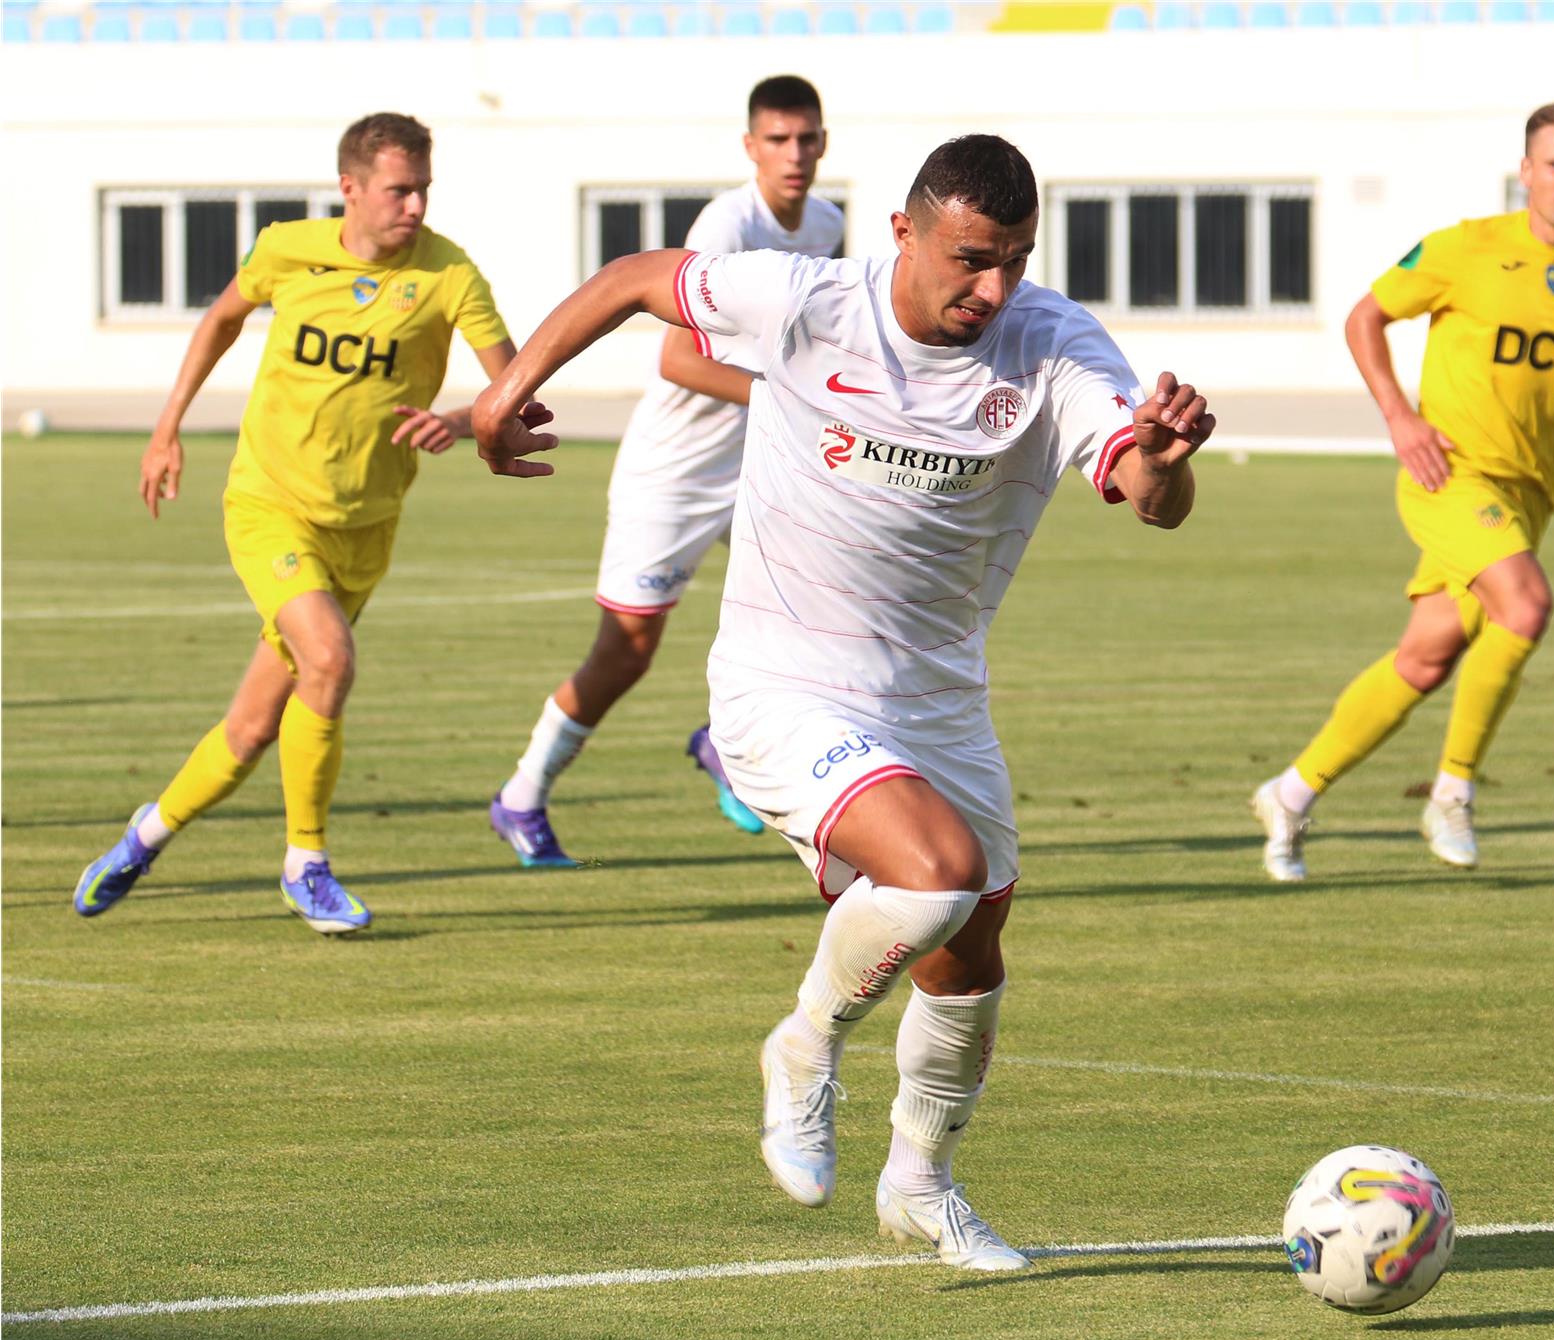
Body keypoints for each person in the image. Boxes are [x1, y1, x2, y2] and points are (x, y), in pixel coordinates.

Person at [472, 135, 1213, 1270]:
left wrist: (1163, 455)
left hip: (939, 697)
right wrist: (503, 395)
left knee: (970, 954)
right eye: (972, 258)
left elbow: (1148, 498)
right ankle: (803, 1047)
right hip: (781, 680)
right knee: (936, 874)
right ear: (904, 234)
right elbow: (632, 280)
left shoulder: (1052, 342)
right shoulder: (809, 301)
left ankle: (920, 1181)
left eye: (1014, 259)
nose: (994, 288)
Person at [74, 112, 541, 933]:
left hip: (365, 526)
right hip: (269, 504)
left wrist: (464, 421)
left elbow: (517, 397)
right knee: (329, 660)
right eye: (399, 190)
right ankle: (307, 865)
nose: (416, 206)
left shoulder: (450, 274)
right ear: (350, 189)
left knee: (253, 728)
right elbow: (221, 318)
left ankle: (145, 835)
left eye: (424, 188)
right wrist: (165, 427)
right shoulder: (287, 248)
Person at [1252, 101, 1554, 880]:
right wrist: (1400, 417)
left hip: (1530, 496)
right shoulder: (1466, 248)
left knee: (1427, 657)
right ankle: (1453, 792)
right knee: (1528, 606)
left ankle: (1292, 792)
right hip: (1447, 472)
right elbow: (1365, 318)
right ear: (1526, 172)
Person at [489, 75, 844, 866]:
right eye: (778, 140)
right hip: (674, 470)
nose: (795, 154)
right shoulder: (729, 222)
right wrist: (791, 398)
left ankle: (727, 742)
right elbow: (680, 357)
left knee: (821, 604)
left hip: (758, 462)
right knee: (628, 649)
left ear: (824, 143)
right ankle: (520, 796)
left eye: (808, 138)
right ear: (750, 147)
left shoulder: (825, 223)